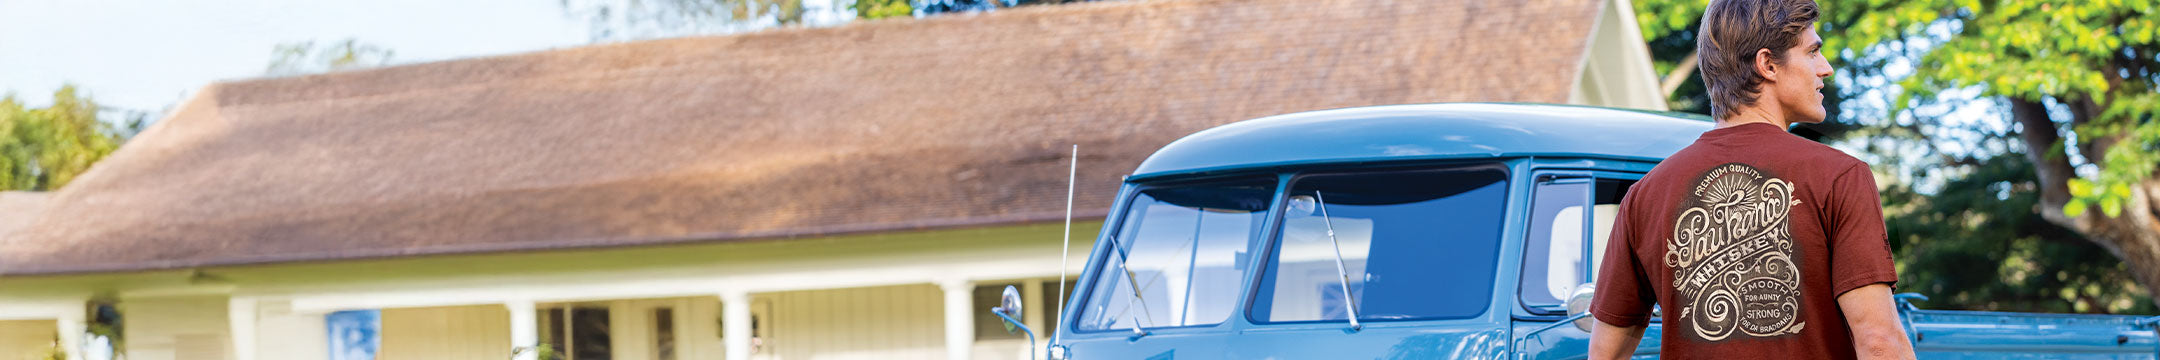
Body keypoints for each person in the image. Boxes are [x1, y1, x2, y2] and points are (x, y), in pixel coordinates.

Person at [1584, 0, 1917, 359]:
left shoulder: (1646, 194)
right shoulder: (1840, 177)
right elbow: (1879, 343)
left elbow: (1605, 353)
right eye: (1813, 52)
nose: (1826, 69)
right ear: (1768, 65)